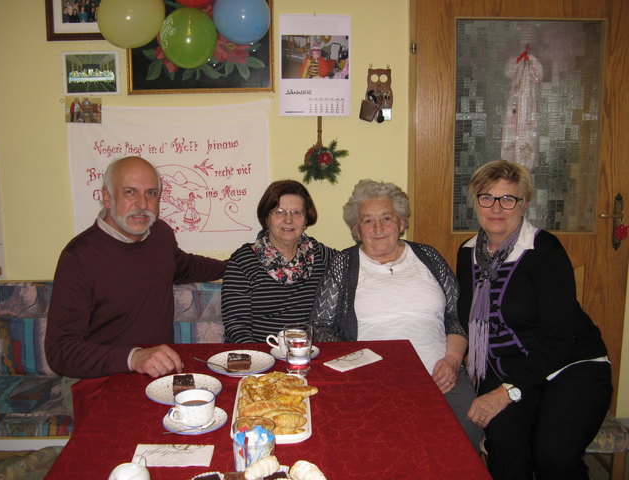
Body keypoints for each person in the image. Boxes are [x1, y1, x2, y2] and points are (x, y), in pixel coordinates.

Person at [457, 159, 611, 479]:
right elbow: (467, 318)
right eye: (487, 197)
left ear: (523, 204)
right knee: (505, 446)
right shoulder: (467, 252)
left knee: (552, 456)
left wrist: (504, 393)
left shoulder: (544, 250)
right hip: (510, 368)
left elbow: (557, 338)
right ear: (476, 203)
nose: (496, 208)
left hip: (571, 364)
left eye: (508, 199)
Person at [310, 179, 483, 451]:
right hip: (372, 383)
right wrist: (361, 371)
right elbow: (321, 327)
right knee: (384, 445)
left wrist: (452, 361)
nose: (378, 228)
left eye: (387, 218)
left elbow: (456, 316)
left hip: (441, 378)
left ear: (402, 222)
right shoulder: (343, 264)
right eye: (368, 221)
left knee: (462, 436)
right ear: (356, 229)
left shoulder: (427, 256)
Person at [45, 156, 227, 379]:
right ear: (107, 198)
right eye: (130, 192)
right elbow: (60, 352)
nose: (142, 204)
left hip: (158, 375)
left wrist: (239, 264)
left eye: (150, 193)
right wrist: (133, 358)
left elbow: (185, 267)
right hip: (100, 380)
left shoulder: (160, 234)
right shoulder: (79, 257)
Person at [222, 180, 334, 343]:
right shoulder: (242, 262)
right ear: (267, 218)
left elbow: (356, 263)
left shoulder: (320, 255)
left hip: (308, 354)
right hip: (259, 357)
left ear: (305, 221)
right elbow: (236, 328)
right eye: (279, 212)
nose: (288, 220)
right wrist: (261, 361)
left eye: (297, 213)